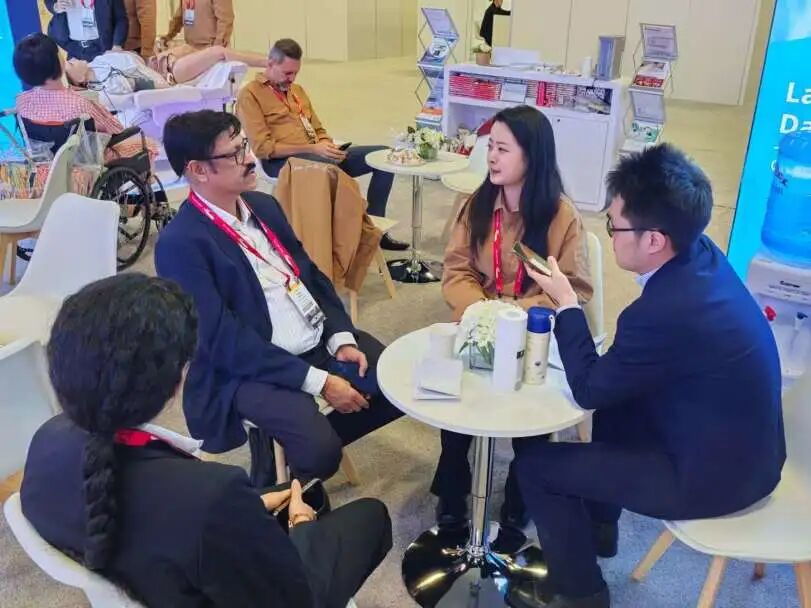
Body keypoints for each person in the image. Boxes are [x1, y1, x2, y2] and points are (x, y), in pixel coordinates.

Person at [509, 144, 786, 608]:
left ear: (654, 240)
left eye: (614, 226)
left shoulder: (663, 312)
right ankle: (599, 528)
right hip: (749, 450)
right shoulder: (701, 255)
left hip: (713, 478)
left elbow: (588, 390)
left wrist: (567, 304)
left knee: (536, 467)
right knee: (621, 393)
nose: (611, 234)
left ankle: (581, 593)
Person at [20, 273, 392, 608]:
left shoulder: (46, 442)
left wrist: (246, 507)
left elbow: (165, 520)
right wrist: (302, 524)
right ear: (175, 381)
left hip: (171, 568)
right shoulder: (212, 495)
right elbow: (292, 595)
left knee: (288, 492)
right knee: (370, 515)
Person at [154, 109, 404, 482]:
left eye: (245, 146)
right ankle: (282, 469)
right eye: (235, 154)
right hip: (247, 369)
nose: (250, 159)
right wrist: (320, 382)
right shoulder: (181, 243)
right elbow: (222, 341)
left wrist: (340, 336)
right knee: (319, 454)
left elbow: (311, 276)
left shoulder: (263, 206)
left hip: (313, 339)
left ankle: (280, 454)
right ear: (198, 170)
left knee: (398, 387)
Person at [433, 105, 593, 540]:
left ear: (531, 156)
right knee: (454, 403)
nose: (491, 157)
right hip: (477, 319)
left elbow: (574, 289)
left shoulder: (561, 215)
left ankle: (522, 495)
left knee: (531, 418)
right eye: (491, 146)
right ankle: (452, 486)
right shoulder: (479, 204)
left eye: (503, 149)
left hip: (534, 329)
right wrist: (482, 314)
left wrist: (514, 315)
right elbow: (456, 270)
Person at [237, 38, 408, 251]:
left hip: (319, 154)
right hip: (281, 162)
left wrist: (328, 145)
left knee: (383, 157)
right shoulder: (250, 95)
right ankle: (357, 233)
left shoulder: (297, 91)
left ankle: (376, 231)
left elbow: (318, 129)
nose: (292, 79)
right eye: (287, 73)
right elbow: (263, 149)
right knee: (329, 168)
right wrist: (312, 149)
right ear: (270, 64)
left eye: (295, 73)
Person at [13, 33, 157, 161]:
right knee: (148, 144)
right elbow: (115, 129)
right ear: (59, 61)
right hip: (88, 164)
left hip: (49, 166)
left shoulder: (22, 102)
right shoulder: (80, 104)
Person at [64, 45, 267, 94]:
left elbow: (131, 61)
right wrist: (166, 82)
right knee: (218, 52)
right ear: (80, 80)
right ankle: (268, 63)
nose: (72, 58)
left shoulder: (96, 63)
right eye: (71, 64)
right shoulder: (107, 83)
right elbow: (141, 84)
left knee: (188, 48)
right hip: (166, 76)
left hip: (151, 64)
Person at [45, 0, 128, 61]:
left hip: (102, 48)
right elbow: (49, 2)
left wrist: (117, 45)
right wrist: (55, 6)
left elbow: (120, 19)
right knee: (76, 79)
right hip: (74, 49)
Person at [159, 0, 234, 52]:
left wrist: (217, 48)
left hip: (210, 48)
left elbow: (225, 20)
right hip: (190, 48)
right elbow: (180, 16)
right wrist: (168, 36)